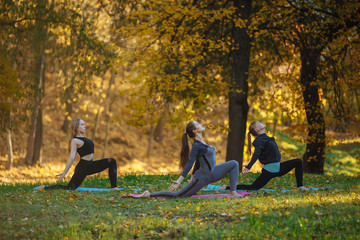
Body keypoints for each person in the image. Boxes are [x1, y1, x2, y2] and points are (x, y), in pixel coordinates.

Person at [137, 121, 240, 198]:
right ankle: (148, 194)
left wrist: (192, 174)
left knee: (234, 164)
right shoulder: (196, 146)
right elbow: (191, 163)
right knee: (178, 195)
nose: (200, 124)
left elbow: (198, 162)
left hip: (212, 174)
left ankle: (233, 191)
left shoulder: (203, 143)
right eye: (197, 124)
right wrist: (179, 180)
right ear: (194, 130)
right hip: (201, 178)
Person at [221, 121, 306, 191]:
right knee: (253, 188)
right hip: (270, 170)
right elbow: (256, 154)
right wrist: (249, 166)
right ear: (257, 129)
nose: (260, 122)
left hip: (278, 167)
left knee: (298, 161)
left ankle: (300, 186)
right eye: (258, 123)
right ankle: (226, 188)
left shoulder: (264, 138)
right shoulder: (259, 141)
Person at [38, 118, 119, 190]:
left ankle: (114, 187)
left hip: (90, 164)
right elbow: (71, 157)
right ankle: (45, 188)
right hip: (82, 168)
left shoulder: (84, 138)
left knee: (112, 161)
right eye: (82, 124)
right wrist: (65, 172)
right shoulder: (75, 141)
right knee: (69, 188)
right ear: (76, 127)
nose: (85, 126)